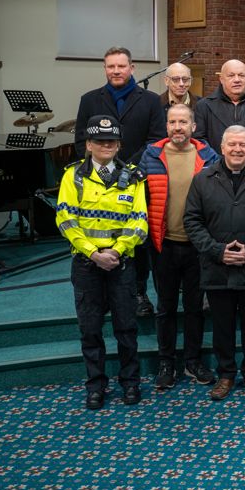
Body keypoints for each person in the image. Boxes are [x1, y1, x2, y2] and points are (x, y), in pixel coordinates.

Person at [184, 125, 245, 401]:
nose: (237, 149)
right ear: (222, 147)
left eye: (243, 144)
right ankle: (226, 374)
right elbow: (192, 221)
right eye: (232, 144)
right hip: (217, 268)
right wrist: (217, 251)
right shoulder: (203, 180)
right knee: (222, 326)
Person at [56, 115, 149, 410]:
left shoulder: (134, 176)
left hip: (121, 265)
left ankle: (130, 383)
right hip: (86, 265)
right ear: (88, 144)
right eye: (99, 141)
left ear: (119, 144)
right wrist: (93, 253)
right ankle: (95, 386)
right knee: (91, 330)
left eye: (111, 141)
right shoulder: (74, 176)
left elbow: (140, 222)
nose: (106, 145)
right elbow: (65, 218)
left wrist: (118, 252)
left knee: (126, 328)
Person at [74, 46, 165, 317]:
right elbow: (81, 140)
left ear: (132, 68)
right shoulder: (89, 99)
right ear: (105, 69)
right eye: (111, 66)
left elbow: (155, 139)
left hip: (137, 180)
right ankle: (101, 294)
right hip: (98, 183)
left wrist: (127, 169)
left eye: (121, 66)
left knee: (137, 240)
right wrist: (102, 169)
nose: (116, 71)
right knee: (101, 233)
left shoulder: (150, 100)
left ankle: (138, 293)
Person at [140, 104, 219, 389]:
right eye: (172, 122)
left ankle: (193, 361)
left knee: (195, 307)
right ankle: (166, 362)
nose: (177, 127)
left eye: (183, 122)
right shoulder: (151, 156)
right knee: (166, 307)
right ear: (166, 125)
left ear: (193, 127)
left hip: (198, 246)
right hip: (163, 245)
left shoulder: (209, 157)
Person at [194, 59, 245, 152]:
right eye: (231, 75)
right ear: (221, 79)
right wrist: (217, 163)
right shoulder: (204, 106)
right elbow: (199, 141)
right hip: (217, 164)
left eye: (241, 75)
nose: (237, 80)